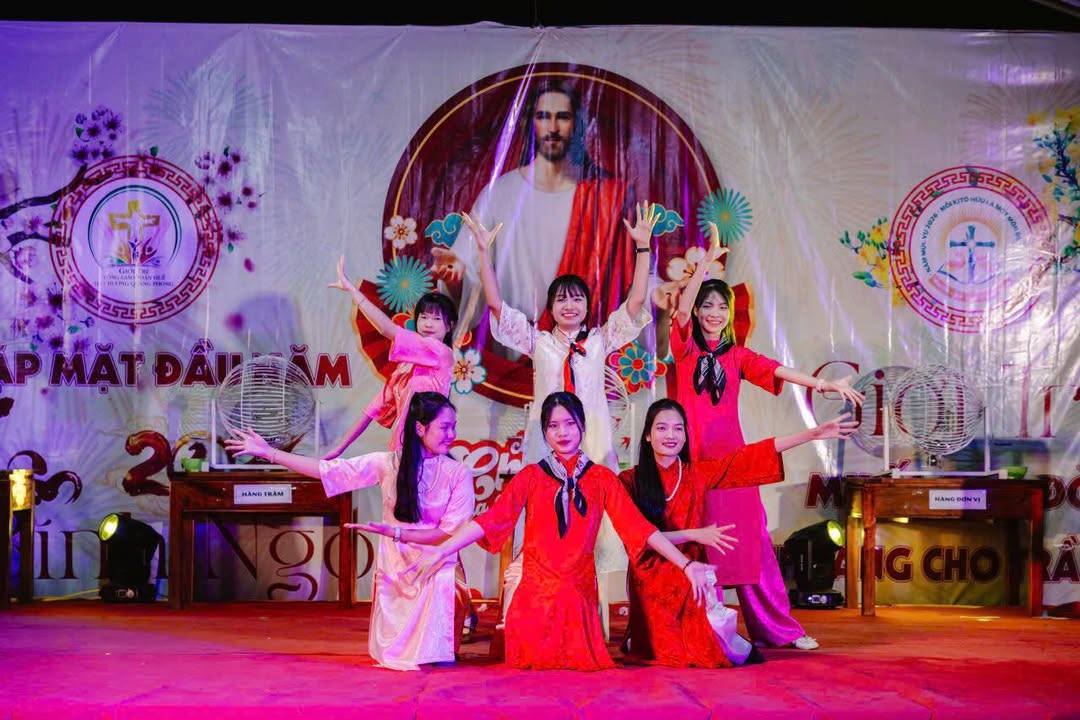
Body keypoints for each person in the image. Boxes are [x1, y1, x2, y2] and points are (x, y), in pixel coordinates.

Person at [403, 391, 719, 671]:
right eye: (553, 426)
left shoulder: (602, 480)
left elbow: (640, 529)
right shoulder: (530, 477)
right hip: (535, 603)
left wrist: (687, 564)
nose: (562, 432)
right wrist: (442, 550)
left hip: (577, 602)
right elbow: (488, 521)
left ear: (582, 426)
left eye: (569, 423)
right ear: (544, 432)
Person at [464, 202, 656, 629]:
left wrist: (642, 248)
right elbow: (496, 306)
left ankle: (589, 616)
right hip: (545, 449)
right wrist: (483, 252)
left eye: (577, 298)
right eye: (561, 299)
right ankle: (530, 615)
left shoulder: (601, 340)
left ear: (588, 305)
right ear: (550, 306)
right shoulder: (539, 343)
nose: (570, 305)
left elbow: (637, 301)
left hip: (593, 448)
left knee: (593, 530)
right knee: (542, 524)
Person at [668, 245, 865, 651]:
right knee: (697, 543)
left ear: (729, 314)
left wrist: (822, 384)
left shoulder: (737, 356)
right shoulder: (685, 350)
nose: (714, 313)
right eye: (708, 305)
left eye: (722, 307)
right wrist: (705, 263)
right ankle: (704, 627)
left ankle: (779, 630)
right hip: (695, 462)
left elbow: (777, 370)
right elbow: (682, 311)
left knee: (753, 542)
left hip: (736, 461)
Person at [223, 391, 475, 671]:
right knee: (397, 657)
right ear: (420, 428)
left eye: (454, 426)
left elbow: (449, 533)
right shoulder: (387, 464)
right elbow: (329, 471)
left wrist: (398, 534)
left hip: (436, 561)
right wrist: (270, 453)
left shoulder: (458, 473)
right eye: (444, 427)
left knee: (437, 645)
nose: (452, 434)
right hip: (397, 564)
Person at [619, 398, 858, 667]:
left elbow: (748, 458)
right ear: (648, 435)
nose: (671, 435)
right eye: (662, 428)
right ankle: (645, 635)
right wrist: (694, 534)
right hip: (651, 572)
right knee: (675, 650)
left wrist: (811, 434)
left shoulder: (697, 474)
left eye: (678, 428)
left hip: (693, 573)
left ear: (685, 435)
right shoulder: (628, 481)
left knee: (714, 650)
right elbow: (639, 537)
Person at [432, 78, 635, 339]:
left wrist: (661, 295)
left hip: (582, 344)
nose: (553, 127)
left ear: (577, 125)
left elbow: (634, 276)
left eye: (563, 117)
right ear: (531, 123)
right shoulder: (499, 193)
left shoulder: (606, 198)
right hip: (514, 344)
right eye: (543, 116)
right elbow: (469, 275)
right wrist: (453, 279)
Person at [323, 255, 457, 457]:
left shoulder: (441, 352)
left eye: (436, 318)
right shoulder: (404, 369)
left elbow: (386, 329)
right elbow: (373, 409)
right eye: (424, 317)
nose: (428, 324)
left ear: (449, 326)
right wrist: (340, 447)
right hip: (402, 451)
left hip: (428, 454)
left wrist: (354, 292)